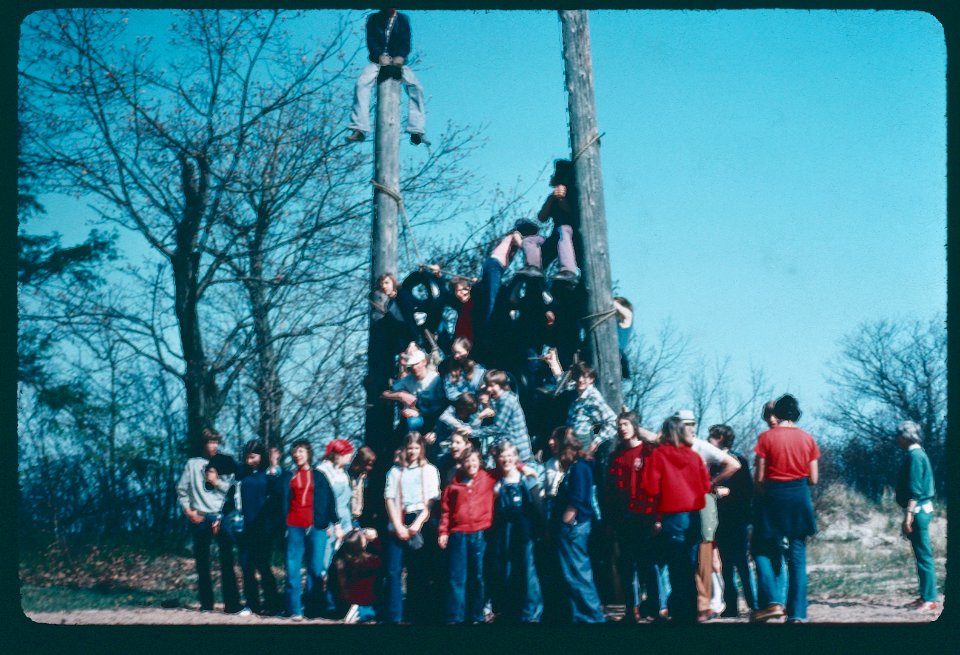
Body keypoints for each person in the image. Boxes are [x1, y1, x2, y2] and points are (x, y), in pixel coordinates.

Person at [751, 394, 820, 624]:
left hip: (773, 496)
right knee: (798, 556)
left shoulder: (766, 437)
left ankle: (772, 601)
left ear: (777, 413)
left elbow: (759, 477)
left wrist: (766, 491)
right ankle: (798, 613)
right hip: (799, 496)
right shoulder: (807, 438)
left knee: (761, 548)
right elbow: (814, 478)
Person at [641, 416, 711, 624]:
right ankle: (689, 611)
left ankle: (681, 612)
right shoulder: (694, 457)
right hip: (695, 516)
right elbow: (706, 487)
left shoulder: (658, 456)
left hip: (672, 516)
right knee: (689, 565)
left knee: (675, 566)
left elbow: (650, 488)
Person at [673, 409, 741, 621]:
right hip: (678, 506)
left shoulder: (702, 446)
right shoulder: (670, 447)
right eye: (684, 423)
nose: (689, 427)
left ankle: (706, 604)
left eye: (691, 423)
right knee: (683, 554)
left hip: (702, 505)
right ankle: (688, 602)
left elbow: (733, 464)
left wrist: (711, 484)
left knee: (705, 553)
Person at [175, 428, 242, 614]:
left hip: (221, 516)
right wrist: (189, 512)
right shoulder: (193, 464)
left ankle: (232, 604)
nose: (214, 446)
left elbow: (233, 490)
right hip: (200, 517)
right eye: (210, 442)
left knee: (227, 561)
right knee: (202, 563)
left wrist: (216, 482)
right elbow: (182, 489)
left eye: (216, 442)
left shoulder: (225, 462)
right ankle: (206, 604)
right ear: (203, 444)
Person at [606, 411, 662, 622]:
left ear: (635, 426)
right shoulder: (615, 456)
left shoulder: (649, 452)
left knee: (648, 564)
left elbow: (657, 486)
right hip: (623, 518)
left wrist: (658, 518)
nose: (622, 428)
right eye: (619, 425)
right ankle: (632, 609)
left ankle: (656, 609)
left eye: (626, 424)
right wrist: (610, 521)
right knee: (626, 566)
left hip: (645, 516)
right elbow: (610, 491)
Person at [382, 432, 442, 623]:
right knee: (393, 570)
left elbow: (431, 501)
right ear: (404, 449)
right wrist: (398, 525)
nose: (413, 451)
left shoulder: (430, 470)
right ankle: (394, 615)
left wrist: (417, 523)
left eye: (417, 448)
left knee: (419, 570)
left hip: (420, 519)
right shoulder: (395, 471)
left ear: (422, 449)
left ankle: (418, 613)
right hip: (398, 518)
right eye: (410, 448)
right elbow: (389, 498)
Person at [346, 8, 426, 145]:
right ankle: (359, 128)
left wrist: (401, 56)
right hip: (378, 63)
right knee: (362, 84)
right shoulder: (373, 19)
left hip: (398, 63)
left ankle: (416, 130)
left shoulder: (403, 19)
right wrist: (379, 56)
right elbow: (371, 40)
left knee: (416, 87)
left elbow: (406, 41)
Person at [223, 439, 284, 617]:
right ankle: (252, 604)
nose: (250, 461)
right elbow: (230, 494)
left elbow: (278, 495)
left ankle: (273, 604)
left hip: (263, 528)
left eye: (253, 457)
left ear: (261, 456)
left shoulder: (269, 474)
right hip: (244, 527)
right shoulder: (241, 473)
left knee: (263, 566)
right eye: (247, 457)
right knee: (246, 566)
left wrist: (274, 468)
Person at [282, 439, 339, 620]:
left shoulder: (319, 476)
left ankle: (313, 609)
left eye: (301, 451)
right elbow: (281, 501)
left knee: (315, 569)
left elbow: (329, 500)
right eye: (295, 452)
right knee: (292, 569)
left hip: (316, 527)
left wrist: (335, 523)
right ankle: (295, 609)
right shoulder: (289, 476)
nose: (298, 455)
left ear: (308, 453)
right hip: (294, 527)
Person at [437, 446, 496, 624]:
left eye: (474, 460)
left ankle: (476, 616)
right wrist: (443, 532)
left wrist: (522, 467)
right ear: (462, 463)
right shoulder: (454, 484)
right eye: (467, 460)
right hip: (458, 534)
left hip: (480, 534)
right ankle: (455, 617)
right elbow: (446, 511)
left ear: (480, 462)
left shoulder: (488, 478)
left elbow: (506, 467)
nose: (471, 464)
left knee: (478, 576)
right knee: (457, 578)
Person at [488, 441, 545, 623]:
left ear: (516, 458)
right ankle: (511, 609)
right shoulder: (497, 484)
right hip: (506, 532)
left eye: (510, 456)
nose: (506, 459)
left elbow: (538, 508)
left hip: (525, 531)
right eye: (502, 456)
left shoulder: (527, 479)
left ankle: (532, 613)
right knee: (508, 569)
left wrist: (542, 529)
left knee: (528, 570)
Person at [552, 433, 606, 623]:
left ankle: (593, 617)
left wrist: (566, 523)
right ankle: (580, 616)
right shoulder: (574, 468)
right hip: (572, 528)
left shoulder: (580, 467)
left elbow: (578, 498)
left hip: (575, 528)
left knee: (579, 574)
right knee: (571, 575)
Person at [707, 424, 757, 618]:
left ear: (721, 438)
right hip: (719, 518)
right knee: (726, 564)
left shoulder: (738, 460)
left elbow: (747, 491)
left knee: (742, 563)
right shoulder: (711, 463)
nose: (709, 439)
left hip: (737, 519)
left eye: (712, 436)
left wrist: (730, 493)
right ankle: (731, 605)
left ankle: (754, 604)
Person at [894, 420, 938, 612]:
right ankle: (924, 596)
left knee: (924, 556)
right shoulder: (918, 454)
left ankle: (929, 599)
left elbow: (916, 490)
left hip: (918, 510)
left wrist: (908, 515)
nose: (896, 438)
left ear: (906, 436)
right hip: (920, 509)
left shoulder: (915, 456)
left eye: (899, 435)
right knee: (921, 555)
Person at [472, 370, 535, 464]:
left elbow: (498, 428)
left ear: (501, 385)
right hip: (509, 452)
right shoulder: (498, 400)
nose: (489, 389)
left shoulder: (506, 401)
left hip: (519, 454)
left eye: (492, 385)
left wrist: (473, 432)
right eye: (487, 386)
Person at [533, 159, 580, 281]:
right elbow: (541, 217)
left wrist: (561, 199)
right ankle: (534, 285)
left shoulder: (572, 193)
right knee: (538, 256)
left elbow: (571, 212)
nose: (551, 177)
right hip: (556, 234)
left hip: (569, 232)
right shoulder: (552, 197)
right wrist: (552, 199)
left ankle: (568, 270)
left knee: (563, 231)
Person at [382, 347, 446, 434]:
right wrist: (400, 395)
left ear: (424, 362)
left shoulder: (436, 379)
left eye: (416, 364)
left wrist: (420, 413)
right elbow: (385, 394)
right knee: (411, 422)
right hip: (418, 420)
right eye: (411, 365)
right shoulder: (407, 380)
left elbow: (443, 406)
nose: (414, 368)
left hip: (437, 419)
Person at [329, 528, 382, 623]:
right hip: (361, 602)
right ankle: (358, 613)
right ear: (360, 544)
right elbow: (382, 557)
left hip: (341, 604)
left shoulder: (338, 560)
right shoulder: (367, 562)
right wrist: (375, 539)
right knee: (379, 610)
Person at [318, 439, 354, 572]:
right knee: (327, 556)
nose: (350, 456)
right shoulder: (324, 471)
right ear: (338, 454)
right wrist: (326, 523)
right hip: (330, 522)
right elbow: (322, 501)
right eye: (348, 453)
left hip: (345, 520)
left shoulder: (344, 473)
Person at [564, 363, 617, 454]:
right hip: (568, 440)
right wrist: (553, 361)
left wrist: (597, 441)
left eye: (585, 377)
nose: (580, 380)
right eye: (578, 376)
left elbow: (613, 422)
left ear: (591, 379)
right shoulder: (577, 388)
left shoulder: (593, 397)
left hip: (582, 443)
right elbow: (564, 384)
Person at [440, 337, 486, 403]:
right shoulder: (451, 370)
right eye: (454, 353)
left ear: (468, 351)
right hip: (461, 405)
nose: (456, 356)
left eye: (459, 352)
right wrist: (464, 397)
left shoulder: (480, 369)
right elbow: (450, 392)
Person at [349, 446, 377, 528]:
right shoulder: (347, 476)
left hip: (358, 518)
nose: (370, 468)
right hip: (348, 517)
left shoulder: (364, 477)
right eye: (367, 464)